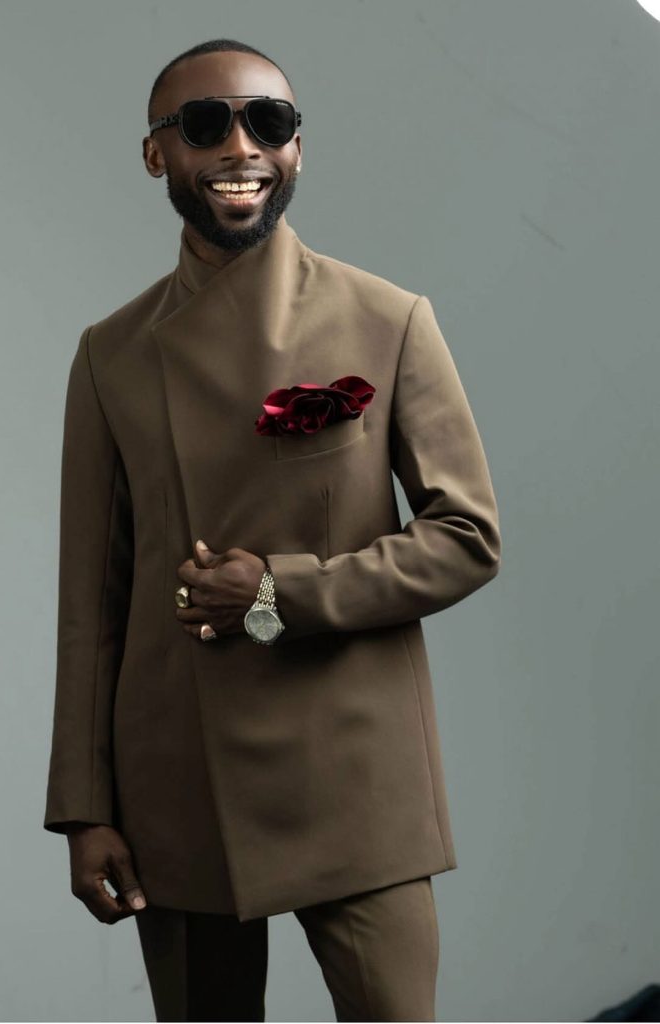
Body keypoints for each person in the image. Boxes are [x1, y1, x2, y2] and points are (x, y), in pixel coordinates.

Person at [44, 36, 501, 1023]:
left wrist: (274, 593)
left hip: (355, 767)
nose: (240, 146)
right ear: (156, 153)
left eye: (269, 121)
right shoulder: (109, 355)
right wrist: (83, 808)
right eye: (204, 125)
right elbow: (92, 603)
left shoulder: (387, 319)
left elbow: (466, 536)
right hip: (177, 779)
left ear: (298, 146)